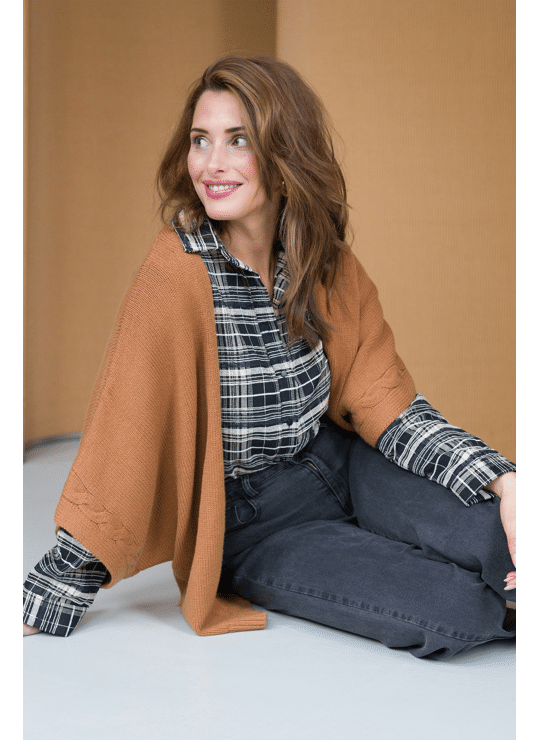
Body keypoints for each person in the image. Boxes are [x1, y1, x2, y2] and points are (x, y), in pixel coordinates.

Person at [23, 55, 516, 658]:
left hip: (342, 463)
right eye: (200, 140)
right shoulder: (175, 274)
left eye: (238, 141)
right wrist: (54, 590)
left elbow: (385, 402)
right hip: (253, 523)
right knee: (457, 609)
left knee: (505, 532)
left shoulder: (322, 260)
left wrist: (503, 478)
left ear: (285, 157)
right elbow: (125, 433)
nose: (211, 164)